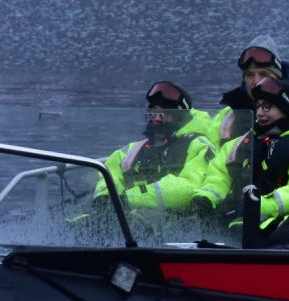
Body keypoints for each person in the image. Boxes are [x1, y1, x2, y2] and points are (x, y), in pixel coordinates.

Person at [221, 76, 289, 247]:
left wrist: (261, 205)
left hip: (280, 225)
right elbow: (221, 175)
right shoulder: (248, 141)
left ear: (287, 110)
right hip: (241, 219)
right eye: (258, 106)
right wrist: (208, 202)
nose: (259, 113)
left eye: (267, 106)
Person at [94, 81, 229, 216]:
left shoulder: (199, 145)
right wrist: (104, 196)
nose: (157, 119)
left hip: (171, 219)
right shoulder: (134, 149)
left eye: (163, 113)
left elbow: (188, 186)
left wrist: (128, 199)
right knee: (83, 221)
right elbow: (109, 174)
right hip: (126, 215)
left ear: (179, 115)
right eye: (154, 112)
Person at [214, 36, 289, 144]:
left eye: (264, 74)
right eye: (250, 75)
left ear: (279, 79)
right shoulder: (226, 117)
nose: (256, 82)